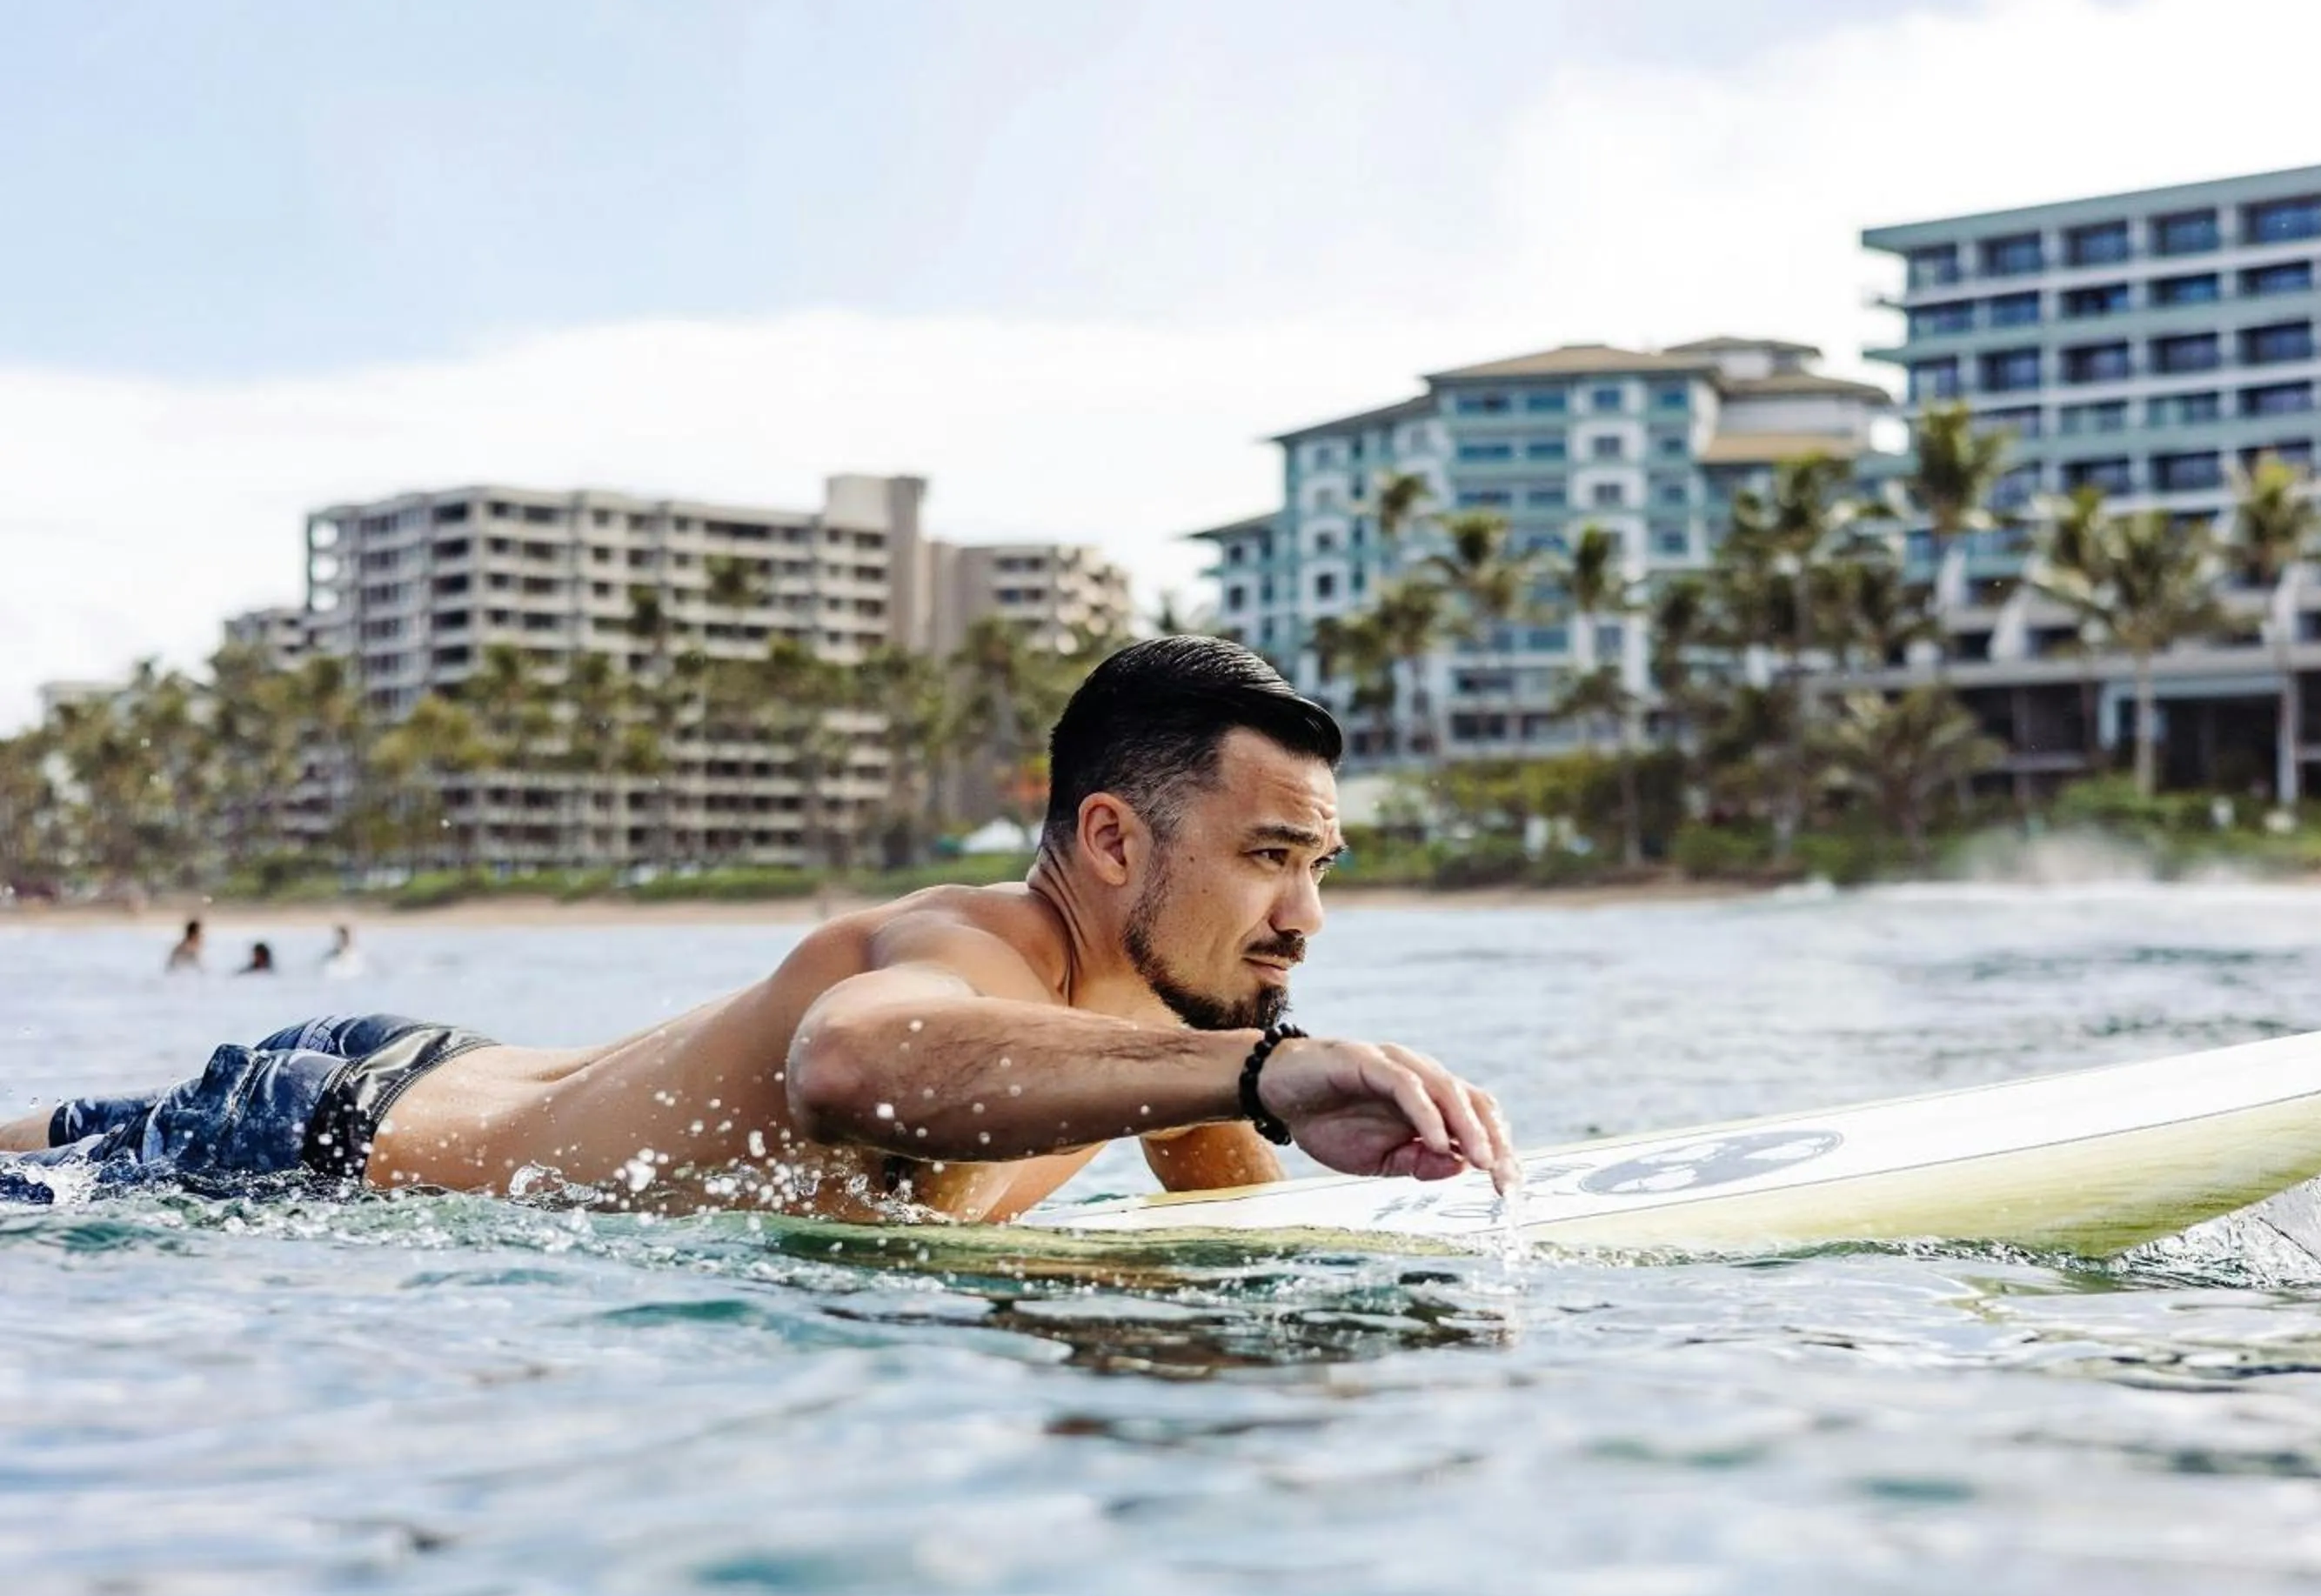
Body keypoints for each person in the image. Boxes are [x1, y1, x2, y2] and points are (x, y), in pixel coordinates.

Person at [0, 638, 1514, 1219]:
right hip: (318, 1142)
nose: (1305, 915)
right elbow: (848, 1067)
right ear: (1113, 840)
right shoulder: (968, 949)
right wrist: (1269, 1077)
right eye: (1269, 859)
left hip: (438, 1064)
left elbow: (1234, 1239)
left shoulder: (1176, 1029)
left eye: (1321, 864)